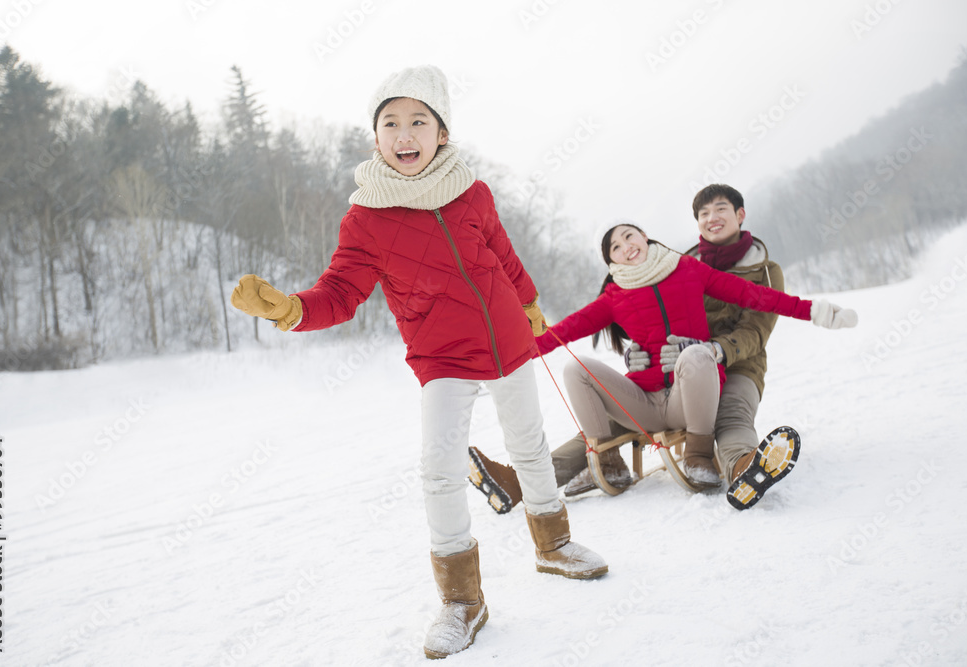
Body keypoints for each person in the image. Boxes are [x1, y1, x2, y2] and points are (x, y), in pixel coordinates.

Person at [228, 65, 606, 660]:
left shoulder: (472, 192)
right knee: (439, 467)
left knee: (530, 447)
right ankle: (462, 601)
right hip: (442, 357)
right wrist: (291, 309)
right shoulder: (366, 218)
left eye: (419, 121)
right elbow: (341, 293)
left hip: (509, 341)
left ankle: (553, 544)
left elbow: (504, 257)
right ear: (374, 138)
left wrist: (530, 301)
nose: (405, 133)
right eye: (391, 123)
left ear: (442, 133)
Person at [468, 200, 856, 512]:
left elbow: (758, 298)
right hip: (647, 401)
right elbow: (561, 332)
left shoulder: (688, 269)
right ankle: (600, 461)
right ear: (611, 262)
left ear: (645, 235)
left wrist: (815, 311)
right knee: (578, 368)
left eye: (628, 236)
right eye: (615, 248)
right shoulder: (614, 297)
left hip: (703, 390)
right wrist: (495, 361)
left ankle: (713, 458)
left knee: (701, 363)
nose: (625, 247)